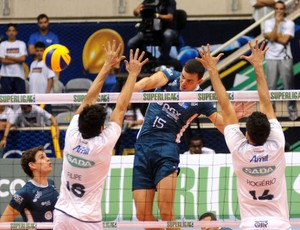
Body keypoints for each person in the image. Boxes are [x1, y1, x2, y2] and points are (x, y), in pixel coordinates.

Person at [53, 41, 148, 229]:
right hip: (87, 219)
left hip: (62, 213)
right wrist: (133, 74)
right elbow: (121, 106)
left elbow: (89, 98)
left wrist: (106, 65)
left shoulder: (71, 134)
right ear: (101, 129)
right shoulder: (102, 144)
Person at [198, 40, 291, 229]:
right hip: (279, 225)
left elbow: (224, 104)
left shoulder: (239, 149)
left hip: (250, 225)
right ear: (269, 132)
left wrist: (212, 70)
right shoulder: (277, 144)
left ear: (246, 133)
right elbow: (266, 102)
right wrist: (258, 65)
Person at [132, 58, 227, 226]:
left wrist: (233, 119)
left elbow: (222, 125)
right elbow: (150, 81)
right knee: (143, 215)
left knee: (166, 212)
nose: (183, 82)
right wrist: (135, 87)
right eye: (183, 77)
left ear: (199, 81)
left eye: (189, 80)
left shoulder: (201, 99)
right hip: (143, 147)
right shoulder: (170, 76)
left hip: (166, 150)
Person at [0, 145, 59, 225]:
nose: (48, 159)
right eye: (42, 157)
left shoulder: (51, 183)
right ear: (32, 165)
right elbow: (2, 224)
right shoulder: (24, 193)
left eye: (46, 156)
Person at [264, 0, 297, 121]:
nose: (279, 11)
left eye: (281, 9)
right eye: (277, 9)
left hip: (285, 58)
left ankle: (292, 113)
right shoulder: (268, 23)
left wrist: (274, 36)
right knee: (271, 87)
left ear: (284, 10)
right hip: (271, 58)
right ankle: (271, 114)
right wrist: (277, 25)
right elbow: (272, 38)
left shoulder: (290, 23)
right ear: (274, 10)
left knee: (289, 86)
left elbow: (284, 41)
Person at [0, 23, 28, 94]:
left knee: (22, 100)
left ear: (16, 32)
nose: (11, 33)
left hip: (19, 75)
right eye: (9, 31)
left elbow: (23, 59)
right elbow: (3, 60)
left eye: (13, 30)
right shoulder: (2, 45)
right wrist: (17, 60)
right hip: (6, 76)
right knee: (5, 101)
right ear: (6, 33)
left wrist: (9, 57)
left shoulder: (21, 44)